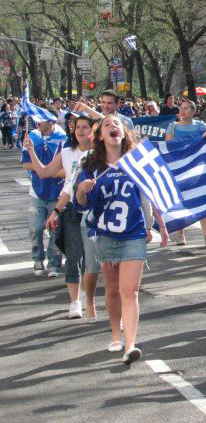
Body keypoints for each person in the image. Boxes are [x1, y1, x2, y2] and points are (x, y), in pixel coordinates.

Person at [76, 114, 168, 364]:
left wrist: (158, 225)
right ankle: (116, 334)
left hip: (134, 233)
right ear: (101, 136)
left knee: (130, 291)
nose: (113, 127)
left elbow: (149, 193)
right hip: (105, 234)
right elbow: (81, 204)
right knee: (114, 289)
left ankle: (131, 344)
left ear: (124, 132)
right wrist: (82, 190)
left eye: (117, 124)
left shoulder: (136, 161)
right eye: (107, 125)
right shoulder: (91, 165)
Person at [26, 114, 98, 319]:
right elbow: (44, 172)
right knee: (74, 255)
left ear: (93, 131)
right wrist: (31, 150)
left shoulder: (101, 154)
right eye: (77, 127)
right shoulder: (67, 152)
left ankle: (87, 297)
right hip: (70, 208)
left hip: (94, 210)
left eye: (85, 127)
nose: (80, 130)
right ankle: (75, 301)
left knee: (90, 260)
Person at [21, 116, 66, 277]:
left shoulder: (63, 138)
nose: (38, 122)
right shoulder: (31, 137)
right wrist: (44, 169)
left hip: (57, 193)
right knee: (36, 227)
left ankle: (54, 264)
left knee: (55, 230)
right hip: (37, 191)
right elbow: (25, 163)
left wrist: (51, 171)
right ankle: (37, 259)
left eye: (42, 119)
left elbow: (66, 166)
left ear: (52, 121)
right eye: (36, 120)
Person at [165, 99, 206, 247]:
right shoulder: (173, 126)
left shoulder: (200, 125)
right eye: (181, 108)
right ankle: (181, 234)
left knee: (201, 198)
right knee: (181, 200)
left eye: (186, 108)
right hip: (179, 168)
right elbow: (169, 146)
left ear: (193, 112)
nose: (182, 111)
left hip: (196, 168)